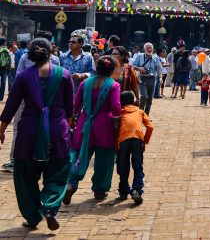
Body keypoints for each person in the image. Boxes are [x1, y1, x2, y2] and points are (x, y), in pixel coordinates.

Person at [0, 38, 73, 230]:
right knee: (58, 172)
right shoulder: (65, 75)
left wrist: (1, 130)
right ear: (51, 53)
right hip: (57, 130)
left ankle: (33, 216)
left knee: (25, 175)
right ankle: (49, 207)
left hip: (29, 132)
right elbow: (70, 109)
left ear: (29, 55)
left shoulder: (22, 77)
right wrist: (66, 128)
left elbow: (10, 107)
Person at [65, 55, 121, 204]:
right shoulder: (113, 85)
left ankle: (71, 184)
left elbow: (76, 104)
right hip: (104, 125)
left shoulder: (86, 82)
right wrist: (119, 121)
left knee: (78, 155)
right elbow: (116, 107)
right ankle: (99, 190)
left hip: (85, 123)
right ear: (111, 70)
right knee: (104, 159)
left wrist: (71, 120)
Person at [116, 90, 154, 205]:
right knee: (137, 166)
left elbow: (114, 130)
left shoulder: (119, 113)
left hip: (123, 141)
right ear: (133, 101)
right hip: (137, 139)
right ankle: (137, 190)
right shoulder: (139, 111)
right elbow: (150, 127)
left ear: (120, 102)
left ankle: (123, 191)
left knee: (123, 166)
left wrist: (115, 145)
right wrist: (144, 141)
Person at [131, 43, 165, 113]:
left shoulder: (155, 58)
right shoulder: (140, 56)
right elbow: (133, 66)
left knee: (149, 99)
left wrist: (160, 78)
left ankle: (146, 115)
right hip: (142, 79)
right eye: (147, 48)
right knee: (144, 96)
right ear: (144, 49)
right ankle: (140, 113)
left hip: (152, 79)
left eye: (151, 48)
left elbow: (159, 69)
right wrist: (139, 68)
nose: (149, 49)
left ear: (152, 49)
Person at [0, 37, 12, 101]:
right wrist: (9, 68)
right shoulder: (6, 50)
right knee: (3, 82)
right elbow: (9, 59)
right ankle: (1, 97)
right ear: (4, 42)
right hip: (4, 67)